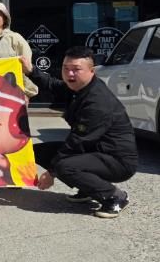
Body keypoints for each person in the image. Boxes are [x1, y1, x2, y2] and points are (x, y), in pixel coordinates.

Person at [20, 47, 138, 218]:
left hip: (117, 160)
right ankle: (88, 189)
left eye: (76, 69)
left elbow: (78, 142)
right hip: (95, 150)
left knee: (63, 166)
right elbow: (52, 84)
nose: (70, 74)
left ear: (92, 70)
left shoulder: (97, 102)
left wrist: (51, 172)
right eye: (66, 68)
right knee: (38, 151)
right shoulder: (78, 88)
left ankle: (114, 196)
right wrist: (31, 70)